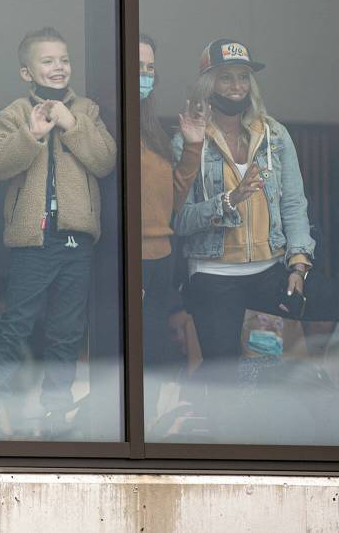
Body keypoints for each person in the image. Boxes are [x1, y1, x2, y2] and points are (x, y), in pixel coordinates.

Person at [174, 38, 339, 446]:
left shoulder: (273, 133)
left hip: (270, 271)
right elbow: (180, 220)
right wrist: (229, 200)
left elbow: (294, 202)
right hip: (212, 273)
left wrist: (298, 263)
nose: (237, 85)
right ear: (209, 83)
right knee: (226, 380)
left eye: (243, 77)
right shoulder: (190, 138)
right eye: (226, 78)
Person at [0, 27, 117, 438]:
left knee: (68, 329)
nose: (58, 67)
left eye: (64, 60)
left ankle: (56, 410)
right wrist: (32, 135)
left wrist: (73, 124)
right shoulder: (14, 113)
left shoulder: (87, 111)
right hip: (33, 239)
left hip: (77, 238)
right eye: (47, 60)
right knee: (17, 320)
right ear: (26, 71)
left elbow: (106, 160)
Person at [137, 33, 204, 425]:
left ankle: (153, 427)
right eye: (136, 66)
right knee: (136, 348)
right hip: (130, 255)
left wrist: (192, 145)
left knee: (158, 347)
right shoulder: (105, 121)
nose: (144, 74)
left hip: (162, 253)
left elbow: (174, 200)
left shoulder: (152, 129)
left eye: (150, 68)